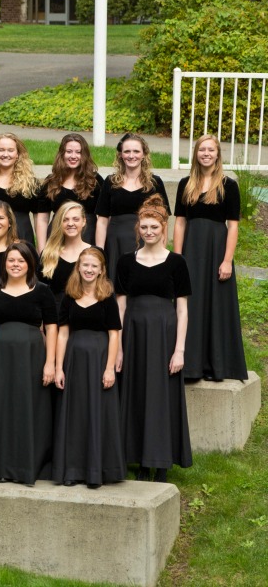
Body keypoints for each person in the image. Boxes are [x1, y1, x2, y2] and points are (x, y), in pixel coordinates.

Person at [115, 195, 192, 482]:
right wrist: (119, 348)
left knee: (161, 395)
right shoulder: (126, 262)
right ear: (139, 229)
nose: (148, 232)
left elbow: (182, 309)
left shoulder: (176, 263)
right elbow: (120, 306)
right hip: (134, 334)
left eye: (154, 227)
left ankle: (160, 461)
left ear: (164, 229)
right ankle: (139, 460)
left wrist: (180, 350)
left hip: (164, 333)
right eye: (144, 227)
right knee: (135, 391)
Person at [0, 241, 58, 486]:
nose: (16, 265)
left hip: (32, 360)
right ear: (4, 264)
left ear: (30, 264)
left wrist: (50, 363)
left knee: (27, 408)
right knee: (0, 407)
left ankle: (27, 465)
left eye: (21, 261)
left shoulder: (43, 291)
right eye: (11, 260)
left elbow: (52, 328)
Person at [173, 135, 247, 381]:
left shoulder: (229, 185)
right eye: (201, 149)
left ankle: (216, 365)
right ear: (195, 153)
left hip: (217, 251)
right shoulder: (185, 184)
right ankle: (190, 365)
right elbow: (180, 223)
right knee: (190, 303)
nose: (206, 153)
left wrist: (227, 260)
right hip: (191, 251)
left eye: (210, 150)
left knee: (216, 305)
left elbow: (233, 226)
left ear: (217, 154)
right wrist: (177, 258)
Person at [53, 247, 124, 488]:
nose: (89, 270)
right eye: (85, 265)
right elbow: (62, 334)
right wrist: (59, 367)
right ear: (78, 268)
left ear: (102, 269)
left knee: (97, 412)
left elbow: (114, 335)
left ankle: (97, 471)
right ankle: (73, 470)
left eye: (94, 266)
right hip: (74, 361)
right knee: (75, 414)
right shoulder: (68, 297)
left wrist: (109, 368)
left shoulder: (107, 298)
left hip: (99, 360)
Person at [95, 133, 169, 279]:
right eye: (127, 151)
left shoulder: (155, 183)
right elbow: (102, 221)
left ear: (143, 154)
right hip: (115, 243)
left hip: (146, 240)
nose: (131, 155)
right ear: (120, 155)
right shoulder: (110, 182)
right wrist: (99, 252)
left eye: (136, 151)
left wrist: (161, 248)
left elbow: (163, 221)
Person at [37, 134, 102, 246]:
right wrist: (42, 249)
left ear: (84, 155)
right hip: (57, 236)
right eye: (69, 151)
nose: (73, 156)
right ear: (62, 154)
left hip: (87, 235)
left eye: (78, 152)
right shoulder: (52, 181)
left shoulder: (95, 181)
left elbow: (104, 218)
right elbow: (42, 219)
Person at [39, 201, 91, 305]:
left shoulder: (94, 253)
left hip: (87, 315)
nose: (70, 224)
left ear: (84, 221)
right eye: (65, 220)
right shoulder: (48, 254)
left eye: (76, 219)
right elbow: (41, 293)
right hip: (55, 316)